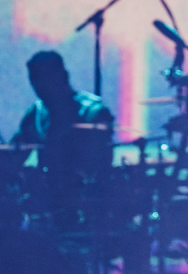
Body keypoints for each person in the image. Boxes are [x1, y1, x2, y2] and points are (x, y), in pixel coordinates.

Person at [14, 50, 114, 181]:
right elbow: (9, 160)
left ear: (63, 76)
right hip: (43, 197)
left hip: (84, 197)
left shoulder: (91, 112)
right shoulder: (36, 115)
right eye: (35, 79)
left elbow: (99, 167)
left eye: (46, 78)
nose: (40, 86)